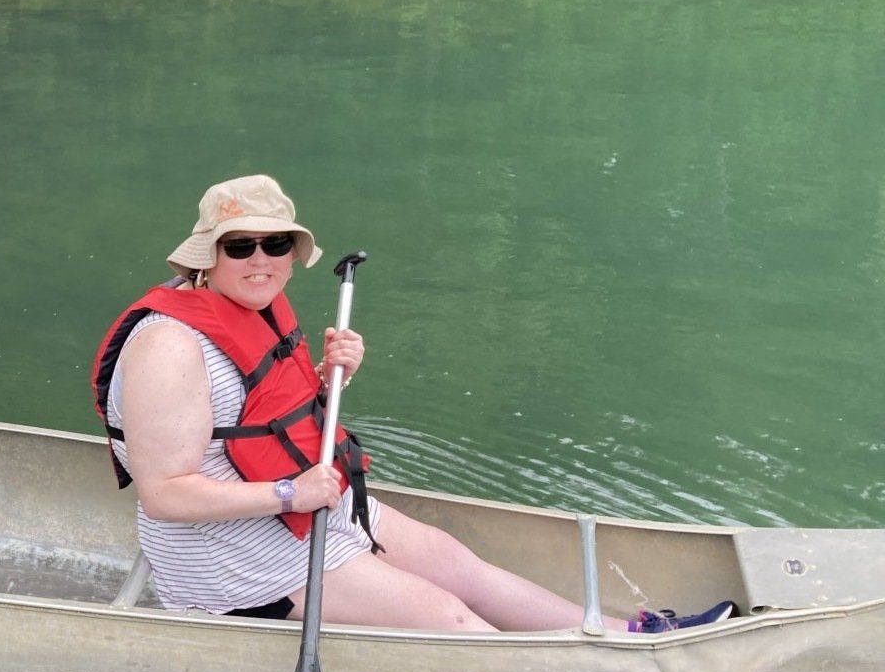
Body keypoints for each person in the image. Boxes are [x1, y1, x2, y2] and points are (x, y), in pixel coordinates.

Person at [91, 174, 732, 634]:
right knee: (445, 617)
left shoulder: (246, 306)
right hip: (227, 552)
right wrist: (290, 496)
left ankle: (625, 636)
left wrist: (327, 381)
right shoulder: (169, 346)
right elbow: (167, 494)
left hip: (300, 503)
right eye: (240, 246)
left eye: (276, 244)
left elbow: (257, 422)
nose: (261, 260)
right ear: (211, 255)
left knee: (455, 564)